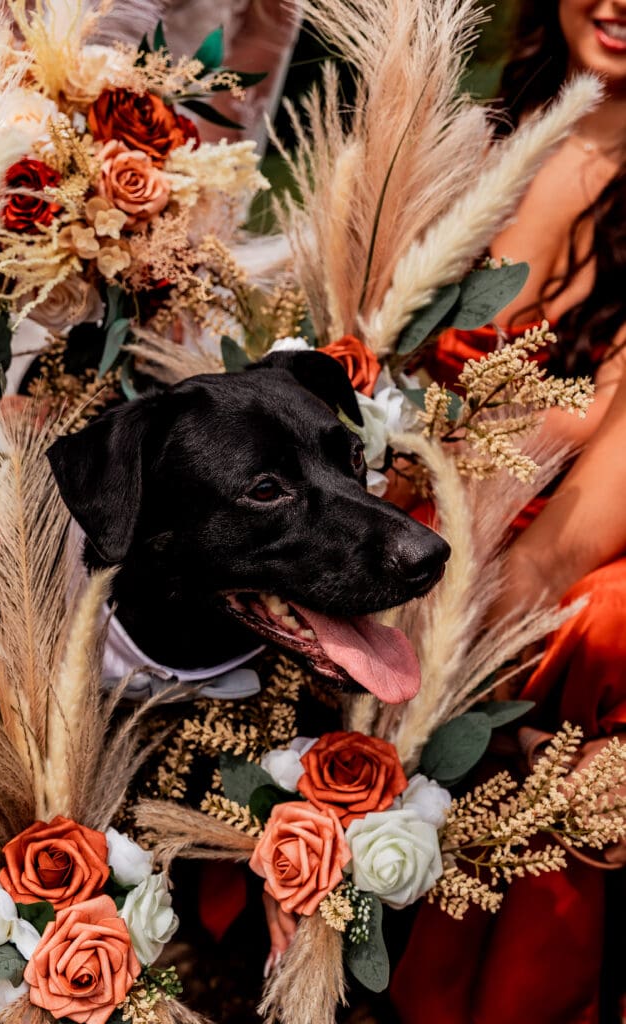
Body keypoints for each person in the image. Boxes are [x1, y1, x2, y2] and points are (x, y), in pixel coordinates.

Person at [391, 3, 626, 1022]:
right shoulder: (467, 138)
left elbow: (592, 502)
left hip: (541, 558)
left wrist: (459, 630)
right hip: (394, 515)